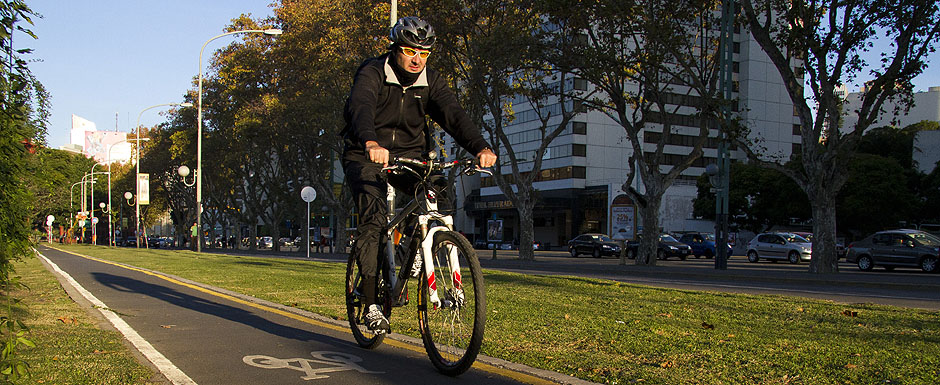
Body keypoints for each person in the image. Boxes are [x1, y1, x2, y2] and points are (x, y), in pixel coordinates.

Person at [342, 16, 497, 333]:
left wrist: (480, 146)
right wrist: (370, 141)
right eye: (411, 51)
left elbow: (454, 115)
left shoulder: (431, 81)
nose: (417, 59)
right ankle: (371, 302)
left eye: (424, 54)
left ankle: (413, 250)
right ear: (395, 49)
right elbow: (361, 107)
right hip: (366, 151)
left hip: (412, 155)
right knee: (373, 219)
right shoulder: (373, 72)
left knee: (437, 195)